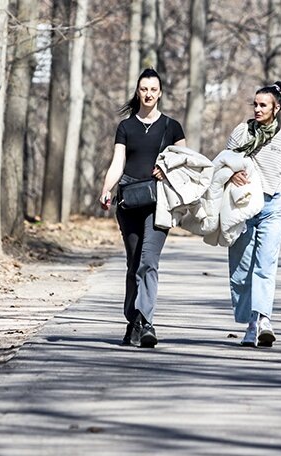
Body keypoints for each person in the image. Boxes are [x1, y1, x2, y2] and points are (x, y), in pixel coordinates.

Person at [98, 68, 186, 348]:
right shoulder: (126, 126)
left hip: (160, 202)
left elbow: (185, 164)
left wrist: (166, 168)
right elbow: (117, 163)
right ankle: (132, 319)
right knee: (134, 263)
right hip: (129, 201)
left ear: (160, 93)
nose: (148, 94)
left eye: (153, 89)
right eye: (143, 89)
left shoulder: (172, 127)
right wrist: (106, 189)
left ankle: (146, 321)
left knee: (148, 262)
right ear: (138, 92)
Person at [224, 81, 281, 347]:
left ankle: (261, 322)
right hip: (244, 208)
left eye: (263, 105)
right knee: (241, 270)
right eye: (255, 105)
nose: (257, 110)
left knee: (265, 266)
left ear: (276, 108)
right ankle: (251, 320)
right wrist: (231, 173)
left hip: (273, 208)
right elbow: (222, 165)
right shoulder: (241, 133)